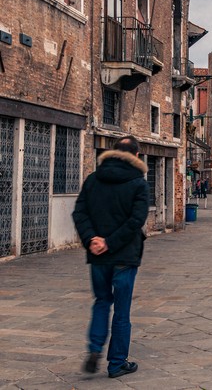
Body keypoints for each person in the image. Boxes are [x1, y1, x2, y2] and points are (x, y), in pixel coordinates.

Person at [72, 135, 149, 379]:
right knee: (122, 310)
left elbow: (80, 213)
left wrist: (92, 240)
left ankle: (95, 349)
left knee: (102, 301)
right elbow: (136, 220)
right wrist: (111, 242)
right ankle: (116, 363)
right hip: (125, 255)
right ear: (136, 155)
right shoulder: (138, 182)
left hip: (98, 256)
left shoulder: (93, 179)